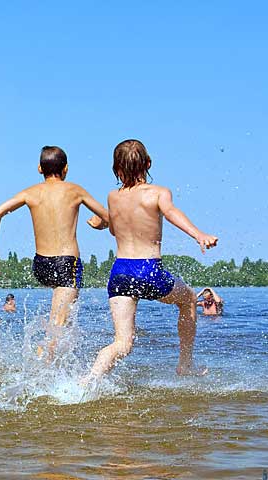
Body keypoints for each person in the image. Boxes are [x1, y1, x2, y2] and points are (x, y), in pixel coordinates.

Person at [82, 139, 218, 384]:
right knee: (188, 299)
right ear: (148, 163)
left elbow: (115, 229)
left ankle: (87, 381)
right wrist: (199, 235)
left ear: (116, 169)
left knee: (122, 343)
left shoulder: (113, 197)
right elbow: (171, 212)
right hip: (148, 270)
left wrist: (102, 222)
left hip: (120, 272)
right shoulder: (158, 193)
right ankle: (185, 364)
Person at [0, 146, 110, 354]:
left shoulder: (30, 192)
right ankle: (37, 367)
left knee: (63, 324)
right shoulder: (75, 190)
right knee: (57, 329)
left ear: (39, 169)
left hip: (41, 265)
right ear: (66, 168)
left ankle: (55, 367)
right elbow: (108, 218)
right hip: (66, 264)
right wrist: (100, 223)